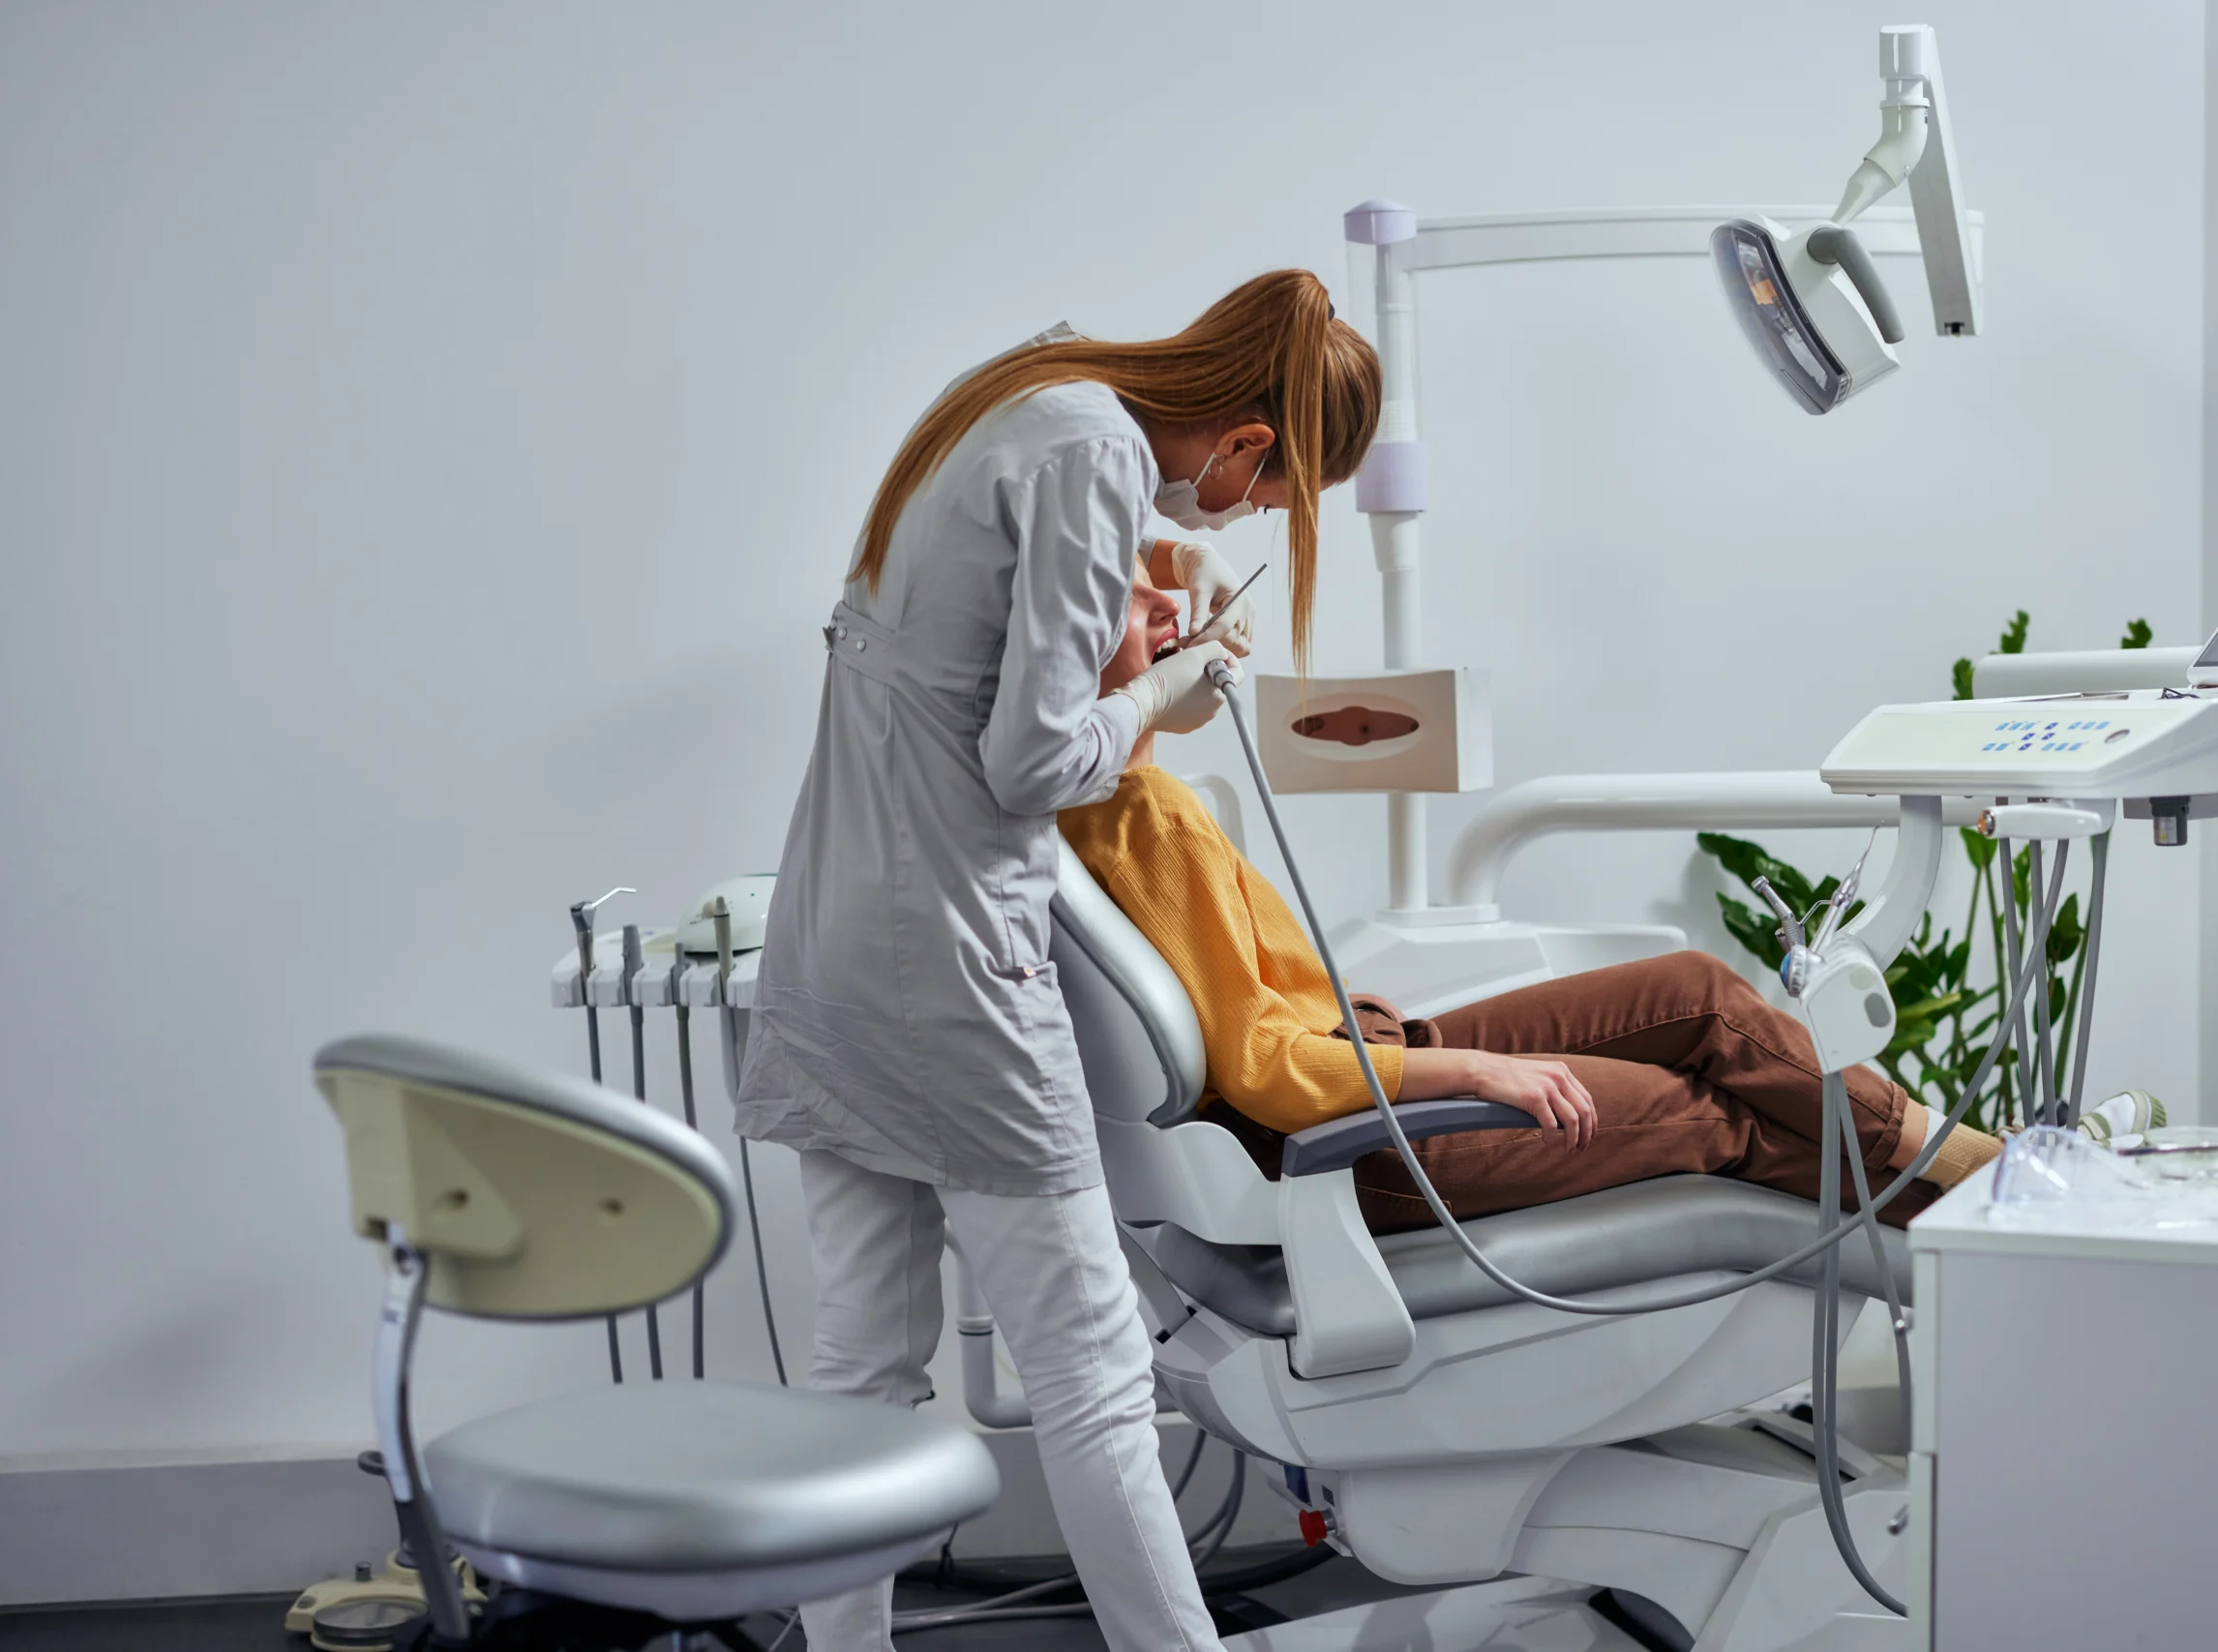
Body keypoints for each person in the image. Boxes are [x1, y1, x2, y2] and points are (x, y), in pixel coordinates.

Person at [735, 272, 1380, 1652]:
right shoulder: (1096, 451)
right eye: (1266, 500)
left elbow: (959, 659)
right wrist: (1170, 685)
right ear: (1248, 443)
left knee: (861, 1362)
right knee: (1090, 1375)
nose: (1246, 520)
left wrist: (1150, 585)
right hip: (953, 968)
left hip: (833, 941)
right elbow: (1030, 763)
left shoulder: (1037, 392)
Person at [1061, 572, 2006, 1233]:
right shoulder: (1150, 814)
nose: (1171, 601)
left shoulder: (1083, 798)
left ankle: (1957, 1157)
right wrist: (1476, 1074)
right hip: (1359, 1140)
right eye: (1131, 593)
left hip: (1364, 1058)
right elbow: (1265, 1067)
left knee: (1696, 990)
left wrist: (1175, 582)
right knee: (1719, 1116)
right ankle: (1993, 1211)